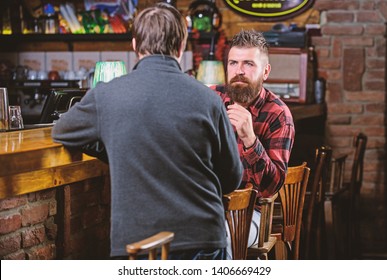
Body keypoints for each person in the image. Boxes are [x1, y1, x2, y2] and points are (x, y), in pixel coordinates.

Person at [52, 3, 243, 260]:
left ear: (134, 45)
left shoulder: (107, 95)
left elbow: (61, 131)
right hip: (203, 238)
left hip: (141, 244)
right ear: (181, 46)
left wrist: (111, 144)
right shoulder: (209, 100)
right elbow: (232, 178)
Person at [210, 30, 295, 258]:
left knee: (217, 237)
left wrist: (250, 139)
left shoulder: (278, 114)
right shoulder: (211, 99)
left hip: (251, 214)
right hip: (206, 205)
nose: (239, 71)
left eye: (248, 64)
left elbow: (271, 188)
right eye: (233, 63)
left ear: (265, 71)